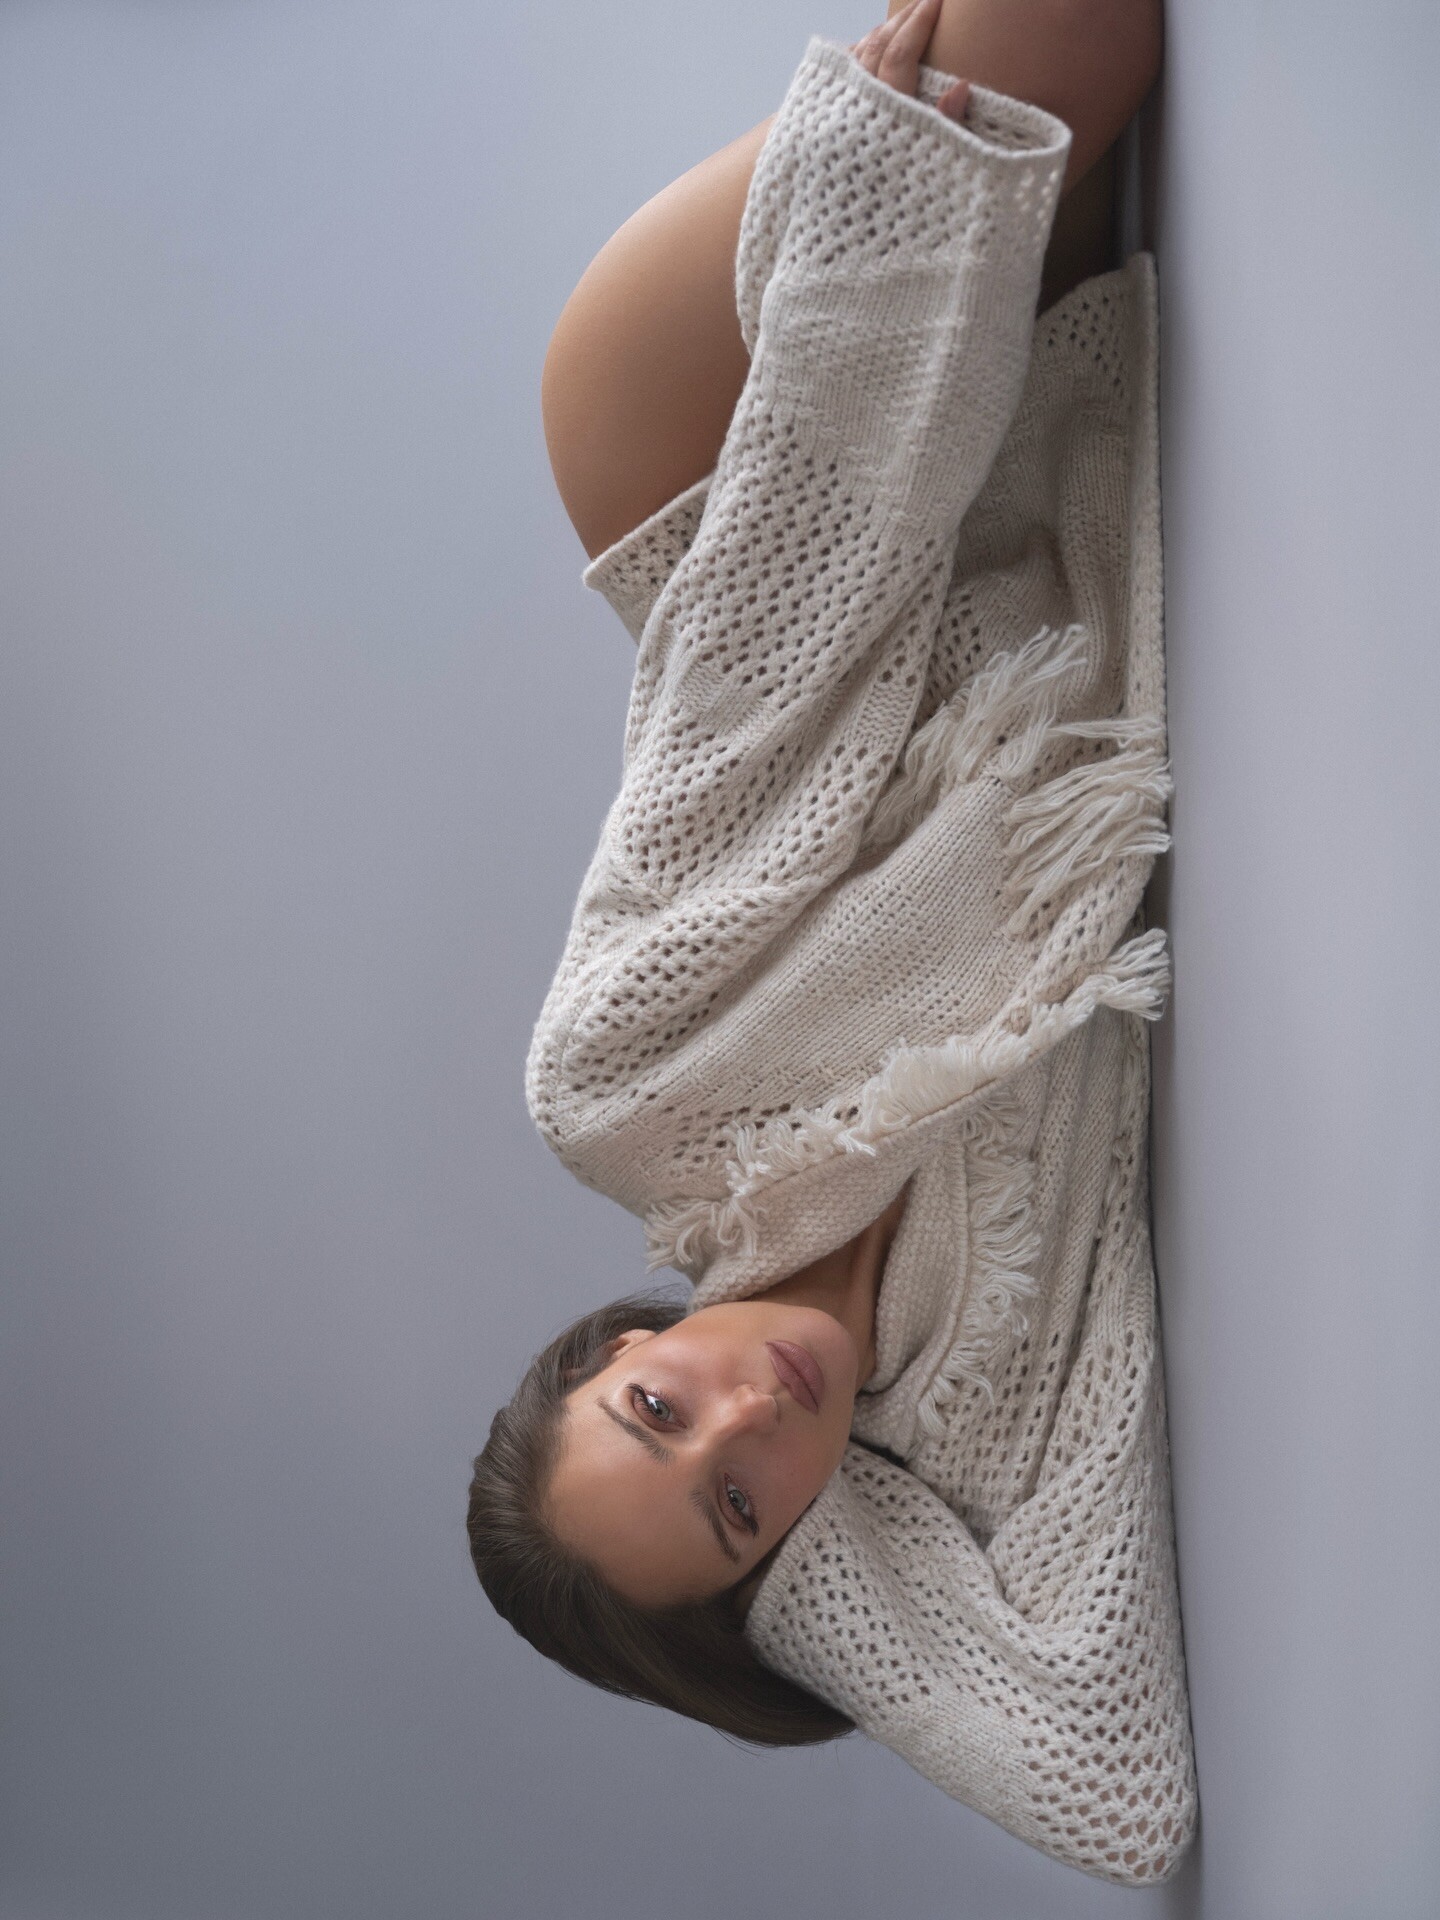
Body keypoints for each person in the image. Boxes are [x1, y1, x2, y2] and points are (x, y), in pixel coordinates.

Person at [471, 0, 1197, 1885]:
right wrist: (797, 1577)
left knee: (1053, 30)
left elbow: (780, 665)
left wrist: (890, 238)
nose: (742, 1415)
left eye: (655, 1407)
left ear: (620, 1343)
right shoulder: (978, 1424)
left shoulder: (626, 1095)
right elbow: (1116, 1785)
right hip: (1023, 498)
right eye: (732, 1508)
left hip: (716, 465)